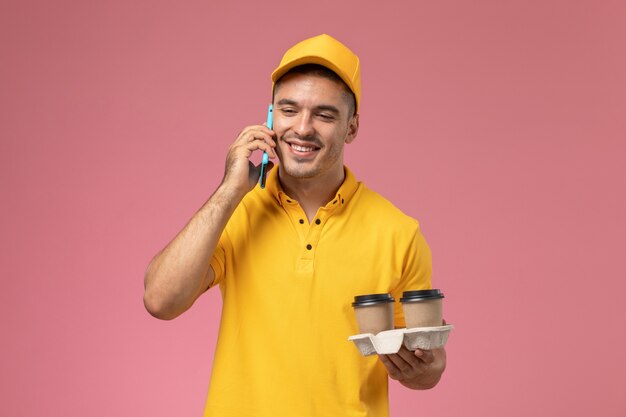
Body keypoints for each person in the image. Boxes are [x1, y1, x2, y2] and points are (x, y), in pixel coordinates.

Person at [143, 34, 447, 417]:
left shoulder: (399, 232)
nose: (302, 128)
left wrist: (425, 368)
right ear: (270, 117)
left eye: (324, 114)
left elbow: (427, 367)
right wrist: (229, 190)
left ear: (351, 128)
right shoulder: (237, 211)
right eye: (289, 110)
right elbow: (160, 300)